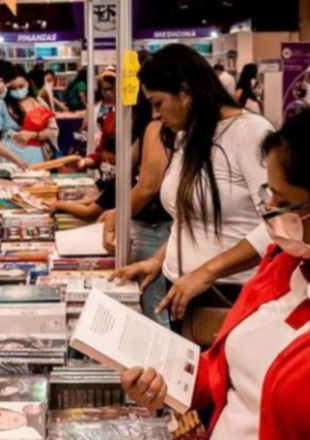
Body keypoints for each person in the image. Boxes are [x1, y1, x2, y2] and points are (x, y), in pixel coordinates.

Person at [122, 110, 310, 440]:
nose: (268, 212)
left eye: (283, 202)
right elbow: (228, 369)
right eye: (269, 195)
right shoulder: (282, 263)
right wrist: (169, 385)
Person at [113, 44, 274, 327]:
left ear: (186, 93)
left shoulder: (250, 132)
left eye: (158, 103)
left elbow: (277, 224)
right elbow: (187, 217)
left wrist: (206, 272)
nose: (156, 115)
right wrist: (158, 260)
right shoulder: (187, 135)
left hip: (230, 296)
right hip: (184, 291)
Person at [101, 92, 174, 328]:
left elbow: (147, 185)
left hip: (155, 228)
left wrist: (116, 216)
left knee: (153, 313)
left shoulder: (155, 127)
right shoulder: (152, 129)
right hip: (159, 228)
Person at [0, 66, 59, 166]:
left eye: (21, 86)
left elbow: (52, 131)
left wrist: (32, 135)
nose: (17, 91)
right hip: (9, 158)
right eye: (12, 88)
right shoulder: (2, 105)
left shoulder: (39, 103)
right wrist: (15, 135)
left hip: (35, 156)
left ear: (27, 83)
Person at [50, 136, 116, 221]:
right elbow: (97, 199)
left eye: (111, 161)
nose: (107, 165)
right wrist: (66, 204)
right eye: (104, 161)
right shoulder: (110, 183)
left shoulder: (117, 184)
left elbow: (89, 213)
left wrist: (59, 205)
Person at [76, 72, 116, 170]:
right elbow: (83, 128)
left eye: (111, 89)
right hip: (96, 154)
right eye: (105, 89)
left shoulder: (124, 112)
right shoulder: (94, 107)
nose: (108, 93)